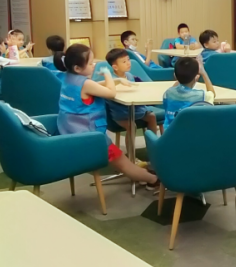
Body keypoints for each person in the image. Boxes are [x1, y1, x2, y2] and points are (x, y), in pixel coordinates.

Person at [55, 43, 159, 186]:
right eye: (90, 63)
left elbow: (94, 86)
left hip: (68, 130)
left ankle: (145, 173)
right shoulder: (86, 84)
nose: (94, 65)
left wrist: (116, 80)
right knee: (123, 163)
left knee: (122, 161)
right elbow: (111, 93)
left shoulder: (67, 78)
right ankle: (153, 180)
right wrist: (108, 74)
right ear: (77, 68)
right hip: (89, 136)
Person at [104, 48, 160, 137]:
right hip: (120, 113)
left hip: (135, 109)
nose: (128, 63)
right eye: (124, 62)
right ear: (115, 67)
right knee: (131, 126)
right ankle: (130, 147)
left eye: (128, 60)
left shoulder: (130, 76)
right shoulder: (111, 80)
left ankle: (152, 142)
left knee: (152, 116)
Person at [162, 56, 215, 129]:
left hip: (169, 134)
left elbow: (173, 88)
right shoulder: (202, 95)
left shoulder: (167, 94)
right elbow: (212, 94)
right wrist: (203, 73)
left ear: (175, 76)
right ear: (195, 77)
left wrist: (181, 78)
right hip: (192, 134)